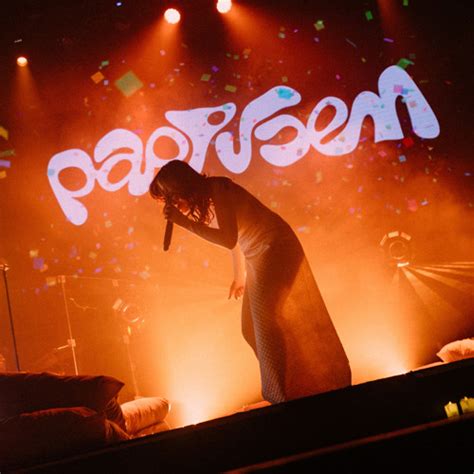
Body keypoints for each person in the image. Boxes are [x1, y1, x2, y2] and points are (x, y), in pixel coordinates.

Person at [149, 160, 351, 403]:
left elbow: (227, 238)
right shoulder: (212, 195)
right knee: (250, 329)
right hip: (257, 254)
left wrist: (185, 223)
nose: (171, 205)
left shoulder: (219, 188)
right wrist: (240, 275)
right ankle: (291, 385)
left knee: (266, 322)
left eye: (170, 198)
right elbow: (236, 238)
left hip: (275, 247)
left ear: (179, 189)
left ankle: (284, 394)